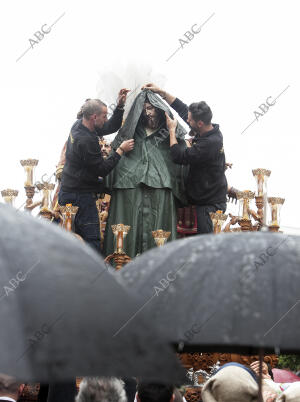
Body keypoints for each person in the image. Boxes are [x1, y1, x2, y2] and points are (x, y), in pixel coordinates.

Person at [103, 89, 188, 258]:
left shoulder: (169, 137)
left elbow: (181, 161)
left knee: (158, 233)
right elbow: (112, 162)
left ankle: (157, 271)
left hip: (161, 191)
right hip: (129, 191)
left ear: (160, 110)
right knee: (126, 230)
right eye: (144, 108)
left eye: (152, 107)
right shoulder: (129, 136)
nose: (148, 112)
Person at [142, 84, 227, 235]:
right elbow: (182, 109)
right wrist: (162, 92)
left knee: (205, 241)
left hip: (209, 203)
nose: (187, 121)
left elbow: (178, 156)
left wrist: (172, 131)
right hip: (203, 198)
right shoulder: (206, 128)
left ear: (199, 123)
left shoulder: (210, 143)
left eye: (189, 120)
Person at [59, 96, 134, 252]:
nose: (106, 119)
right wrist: (120, 150)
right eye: (104, 116)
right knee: (92, 241)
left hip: (70, 191)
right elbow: (102, 169)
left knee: (71, 239)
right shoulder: (86, 140)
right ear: (94, 117)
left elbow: (111, 127)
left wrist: (120, 107)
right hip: (80, 196)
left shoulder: (81, 125)